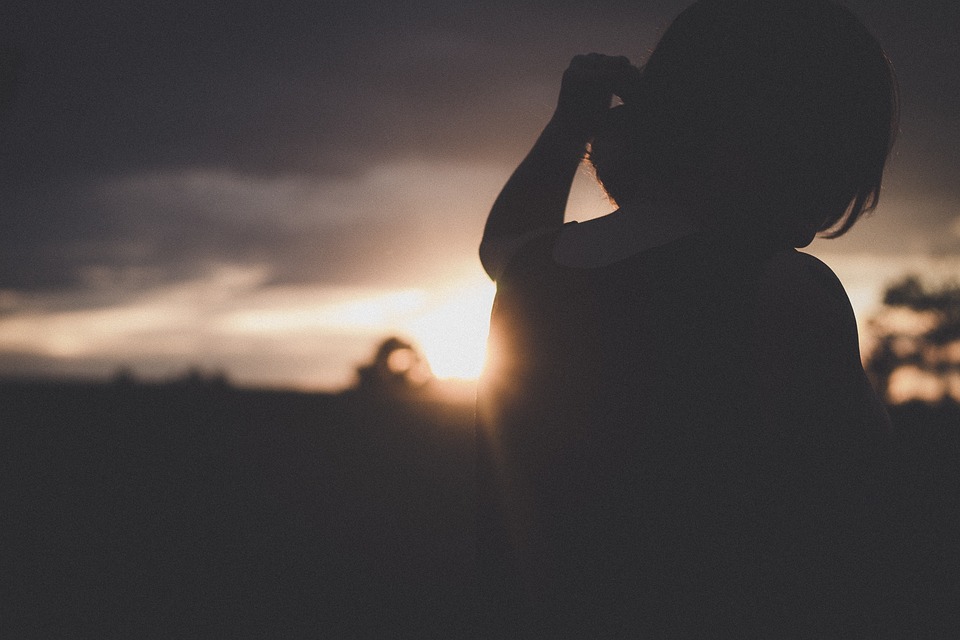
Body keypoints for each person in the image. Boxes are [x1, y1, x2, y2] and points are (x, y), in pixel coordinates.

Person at [475, 0, 900, 637]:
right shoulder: (782, 288)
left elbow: (504, 241)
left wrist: (569, 126)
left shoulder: (535, 269)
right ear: (801, 151)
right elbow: (851, 511)